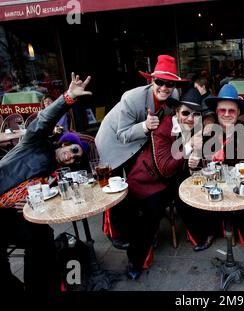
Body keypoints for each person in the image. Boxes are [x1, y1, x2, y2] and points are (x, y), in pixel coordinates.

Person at [0, 72, 91, 293]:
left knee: (41, 236)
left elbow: (51, 202)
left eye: (76, 158)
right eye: (72, 150)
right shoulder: (35, 144)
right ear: (64, 144)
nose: (71, 156)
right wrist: (67, 98)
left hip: (13, 216)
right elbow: (43, 120)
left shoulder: (55, 176)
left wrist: (33, 202)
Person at [95, 55, 188, 249]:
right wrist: (145, 127)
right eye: (160, 82)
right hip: (114, 142)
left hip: (140, 143)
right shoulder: (132, 98)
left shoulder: (174, 97)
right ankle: (116, 232)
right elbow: (122, 134)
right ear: (151, 80)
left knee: (134, 184)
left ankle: (138, 225)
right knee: (116, 188)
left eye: (169, 83)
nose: (164, 87)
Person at [124, 88, 203, 280]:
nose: (191, 118)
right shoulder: (162, 129)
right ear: (176, 112)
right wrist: (190, 146)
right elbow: (166, 167)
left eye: (196, 114)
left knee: (192, 194)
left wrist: (194, 161)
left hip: (169, 180)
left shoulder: (194, 127)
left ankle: (201, 235)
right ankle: (136, 260)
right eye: (186, 113)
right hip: (146, 181)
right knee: (152, 213)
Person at [202, 84, 244, 256]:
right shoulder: (208, 131)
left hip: (239, 181)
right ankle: (211, 233)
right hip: (215, 181)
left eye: (231, 110)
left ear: (237, 112)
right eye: (222, 110)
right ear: (216, 112)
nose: (227, 114)